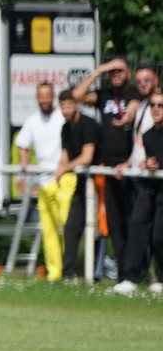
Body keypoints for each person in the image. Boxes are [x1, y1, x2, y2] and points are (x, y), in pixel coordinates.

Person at [72, 57, 141, 276]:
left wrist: (128, 117)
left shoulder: (134, 93)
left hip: (132, 167)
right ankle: (123, 272)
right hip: (108, 168)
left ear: (128, 74)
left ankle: (138, 271)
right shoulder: (103, 96)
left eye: (120, 70)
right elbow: (77, 95)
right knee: (114, 222)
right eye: (112, 71)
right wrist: (99, 71)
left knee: (133, 220)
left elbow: (134, 107)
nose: (116, 74)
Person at [15, 82, 70, 281]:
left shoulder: (62, 117)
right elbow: (23, 144)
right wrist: (24, 163)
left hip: (64, 179)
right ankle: (54, 273)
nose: (45, 99)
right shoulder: (32, 121)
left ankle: (69, 268)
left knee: (67, 226)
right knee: (49, 231)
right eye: (41, 96)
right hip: (44, 181)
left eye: (48, 95)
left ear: (53, 96)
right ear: (37, 98)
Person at [113, 91, 163, 296]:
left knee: (159, 235)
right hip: (150, 186)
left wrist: (153, 163)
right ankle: (130, 277)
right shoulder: (148, 134)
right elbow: (151, 159)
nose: (156, 109)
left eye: (160, 105)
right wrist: (146, 163)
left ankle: (161, 277)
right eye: (153, 105)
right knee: (136, 224)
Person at [58, 90, 101, 280]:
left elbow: (87, 157)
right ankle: (68, 274)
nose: (66, 110)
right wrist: (61, 168)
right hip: (82, 183)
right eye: (63, 106)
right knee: (71, 227)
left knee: (97, 230)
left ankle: (96, 273)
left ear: (76, 105)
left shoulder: (88, 125)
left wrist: (64, 168)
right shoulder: (65, 128)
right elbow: (65, 156)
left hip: (98, 183)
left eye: (70, 105)